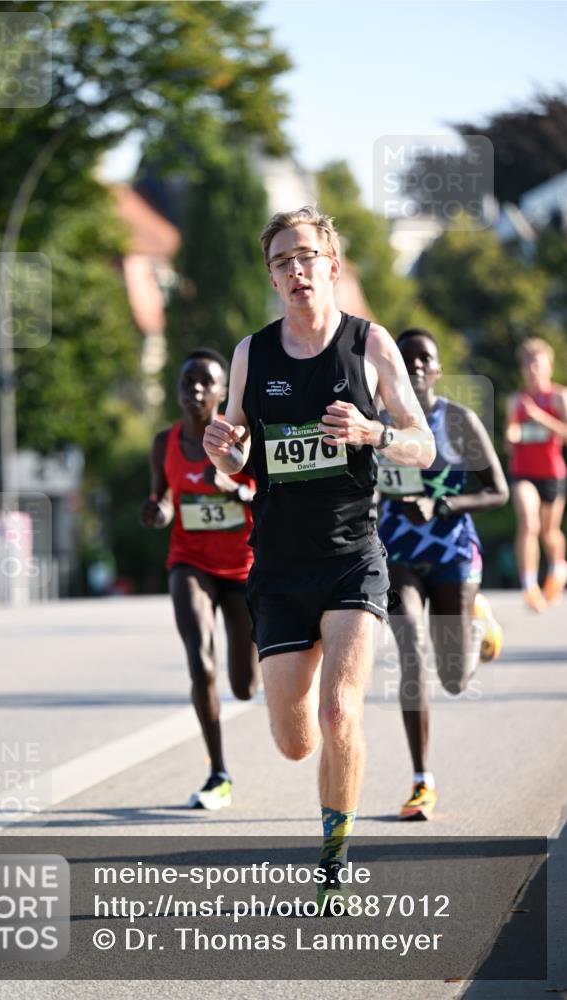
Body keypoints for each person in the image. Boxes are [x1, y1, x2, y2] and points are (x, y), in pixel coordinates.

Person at [203, 207, 435, 907]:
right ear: (272, 277)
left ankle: (333, 863)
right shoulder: (252, 353)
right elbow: (238, 455)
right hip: (275, 566)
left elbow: (422, 446)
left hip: (349, 555)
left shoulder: (370, 345)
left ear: (331, 266)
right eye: (282, 261)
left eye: (306, 257)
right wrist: (226, 453)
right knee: (295, 740)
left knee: (340, 714)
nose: (296, 270)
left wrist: (371, 430)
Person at [378, 328, 509, 820]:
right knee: (411, 654)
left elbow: (498, 490)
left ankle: (479, 624)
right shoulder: (378, 423)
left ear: (436, 370)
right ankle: (421, 780)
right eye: (405, 358)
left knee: (454, 679)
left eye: (424, 359)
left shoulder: (457, 421)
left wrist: (442, 503)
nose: (414, 366)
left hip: (453, 552)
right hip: (397, 557)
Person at [140, 348, 259, 810]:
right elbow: (163, 499)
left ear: (222, 393)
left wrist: (236, 485)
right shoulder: (163, 443)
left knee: (245, 685)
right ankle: (218, 772)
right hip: (189, 561)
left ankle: (251, 687)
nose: (194, 390)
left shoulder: (241, 441)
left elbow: (263, 491)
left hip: (242, 568)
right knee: (201, 662)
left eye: (204, 382)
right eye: (186, 381)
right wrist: (157, 511)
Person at [506, 338, 567, 612]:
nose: (533, 370)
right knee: (529, 523)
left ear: (548, 366)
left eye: (538, 364)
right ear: (522, 368)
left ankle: (557, 568)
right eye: (528, 364)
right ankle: (529, 584)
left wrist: (540, 418)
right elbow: (511, 435)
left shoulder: (558, 397)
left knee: (549, 532)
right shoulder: (516, 400)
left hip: (552, 474)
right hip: (523, 473)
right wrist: (512, 435)